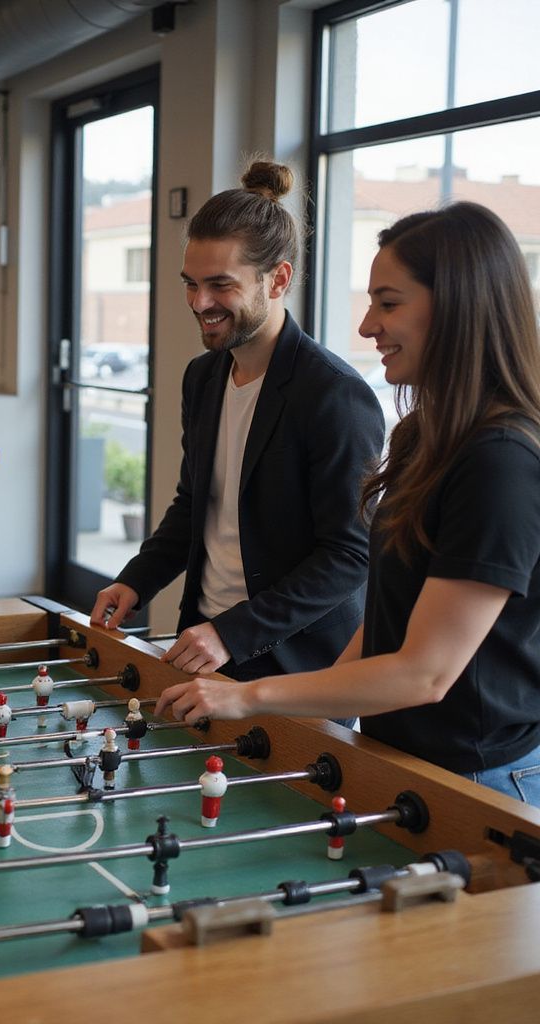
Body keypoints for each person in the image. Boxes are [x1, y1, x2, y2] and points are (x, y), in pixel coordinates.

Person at [156, 201, 540, 808]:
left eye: (388, 304)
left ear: (461, 306)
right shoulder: (423, 435)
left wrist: (248, 695)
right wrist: (332, 718)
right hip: (392, 750)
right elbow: (389, 610)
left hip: (475, 776)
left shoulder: (501, 461)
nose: (366, 326)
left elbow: (426, 672)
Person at [91, 161, 384, 684]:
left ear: (279, 280)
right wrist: (136, 581)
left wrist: (234, 632)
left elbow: (347, 555)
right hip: (203, 640)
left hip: (294, 662)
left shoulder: (335, 396)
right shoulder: (202, 378)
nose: (199, 303)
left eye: (220, 285)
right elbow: (194, 505)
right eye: (191, 284)